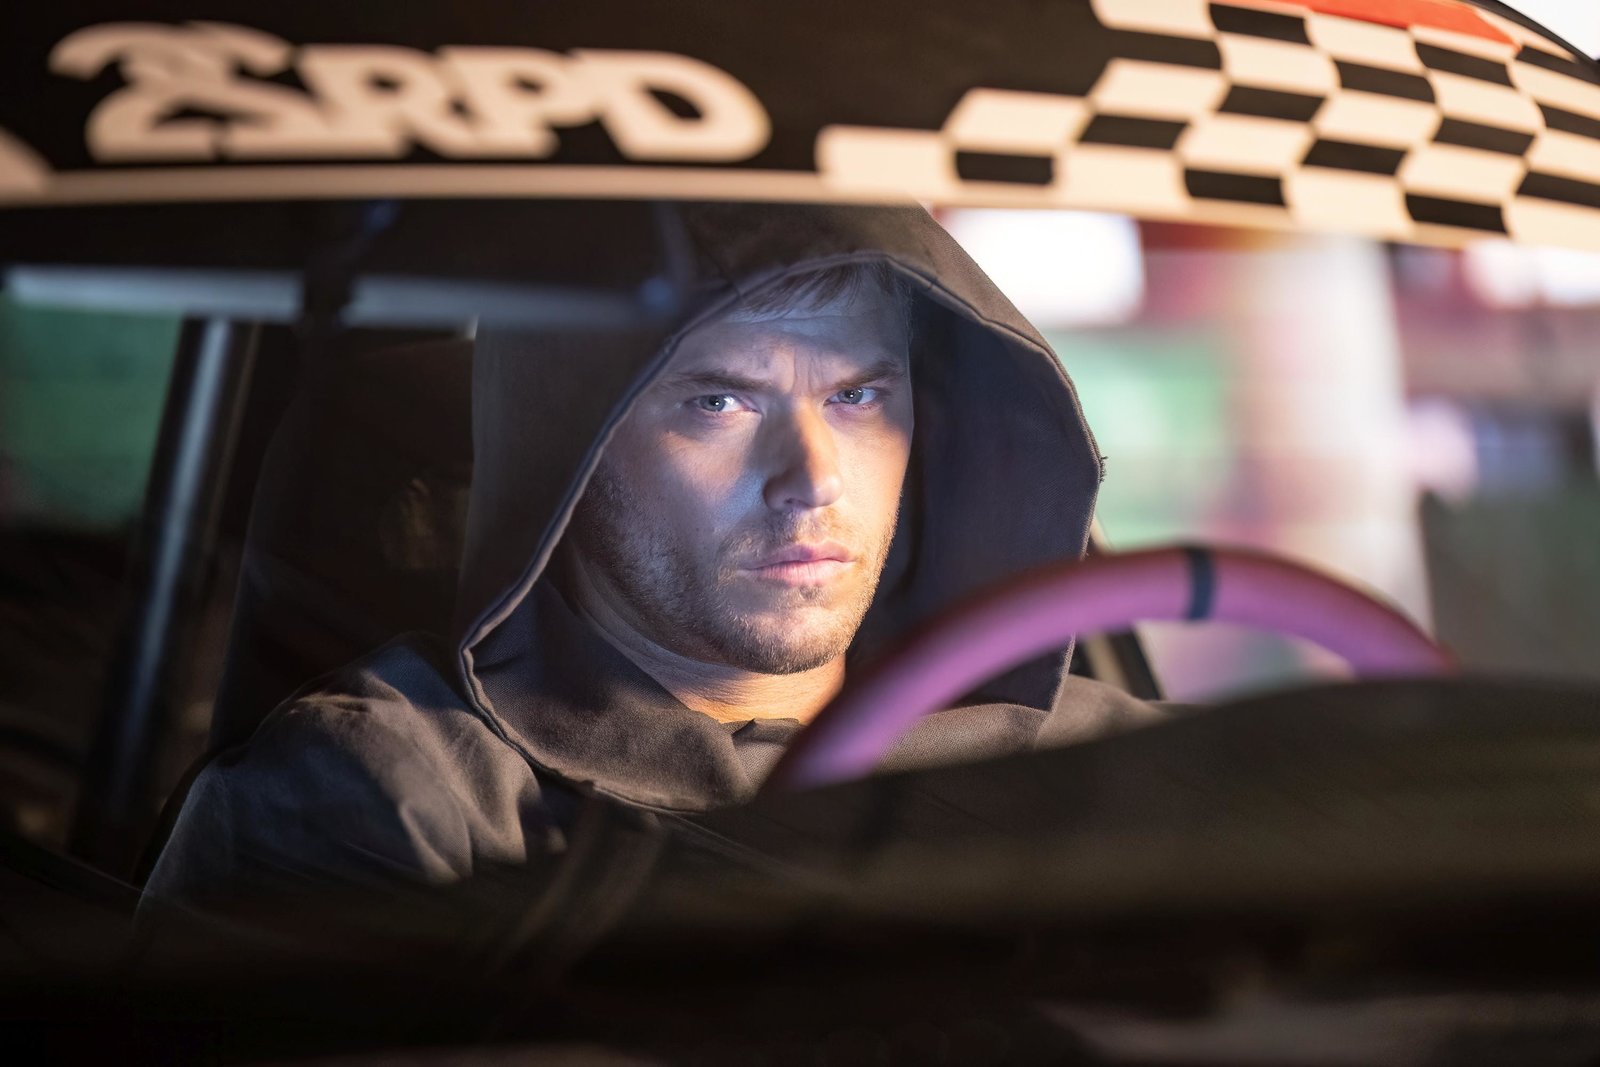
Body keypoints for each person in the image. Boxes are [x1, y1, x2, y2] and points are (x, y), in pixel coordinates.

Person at [144, 203, 1158, 912]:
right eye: (718, 401)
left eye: (856, 396)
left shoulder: (1118, 766)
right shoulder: (389, 800)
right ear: (571, 451)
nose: (812, 479)